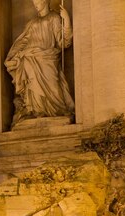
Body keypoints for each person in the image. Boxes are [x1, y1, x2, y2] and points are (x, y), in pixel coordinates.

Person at [4, 0, 74, 128]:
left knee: (53, 84)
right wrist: (13, 56)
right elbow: (23, 41)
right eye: (34, 1)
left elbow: (63, 42)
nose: (35, 3)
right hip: (29, 57)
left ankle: (56, 111)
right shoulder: (32, 23)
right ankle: (35, 110)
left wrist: (67, 21)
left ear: (46, 2)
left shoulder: (54, 18)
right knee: (32, 84)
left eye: (38, 0)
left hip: (48, 57)